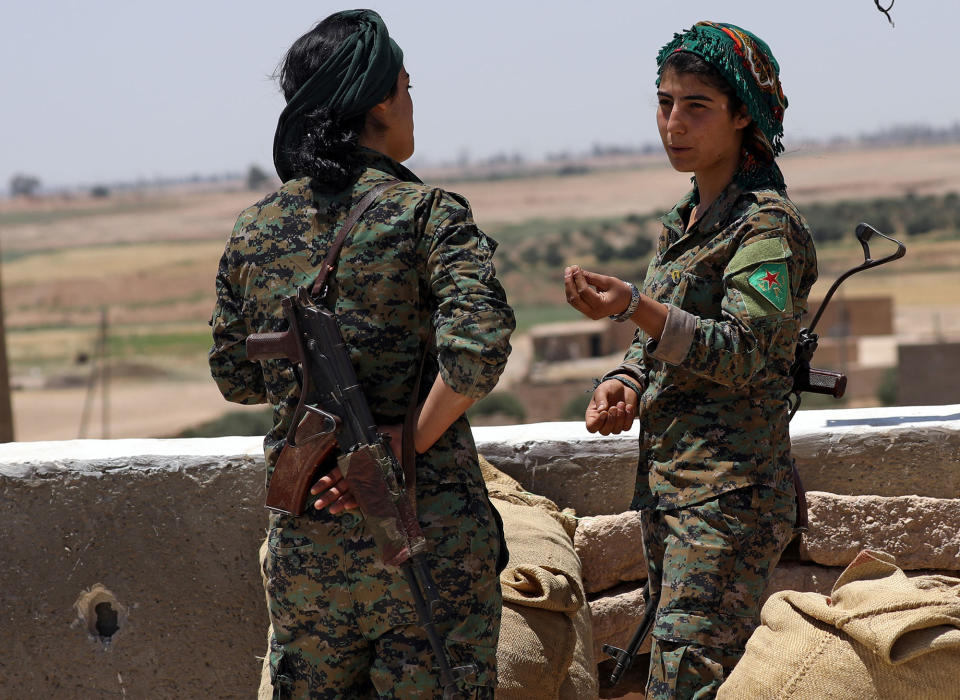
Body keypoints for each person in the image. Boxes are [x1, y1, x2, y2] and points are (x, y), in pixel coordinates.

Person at [209, 10, 514, 698]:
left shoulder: (255, 228)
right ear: (380, 98)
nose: (411, 105)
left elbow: (234, 374)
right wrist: (386, 457)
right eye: (406, 88)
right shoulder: (427, 213)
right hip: (422, 542)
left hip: (309, 555)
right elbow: (476, 355)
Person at [564, 22, 818, 700]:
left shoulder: (765, 226)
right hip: (678, 491)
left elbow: (745, 353)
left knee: (688, 681)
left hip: (727, 499)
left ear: (743, 116)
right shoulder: (687, 219)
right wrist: (623, 378)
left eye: (696, 106)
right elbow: (660, 343)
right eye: (664, 102)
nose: (673, 123)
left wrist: (633, 305)